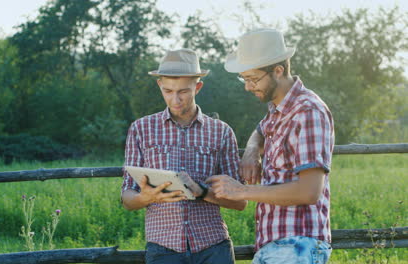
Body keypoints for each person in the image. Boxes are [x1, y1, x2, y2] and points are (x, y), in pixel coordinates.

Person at [207, 28, 334, 264]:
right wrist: (252, 149)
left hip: (297, 245)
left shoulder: (307, 111)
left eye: (253, 79)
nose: (248, 87)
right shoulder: (277, 111)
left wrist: (241, 191)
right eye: (244, 79)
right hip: (276, 246)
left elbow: (309, 191)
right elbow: (260, 130)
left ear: (278, 71)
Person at [121, 48, 247, 264]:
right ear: (160, 85)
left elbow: (240, 202)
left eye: (184, 91)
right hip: (163, 248)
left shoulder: (221, 131)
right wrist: (146, 198)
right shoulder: (141, 129)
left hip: (213, 247)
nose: (176, 99)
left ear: (198, 87)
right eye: (168, 91)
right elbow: (127, 197)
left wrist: (201, 192)